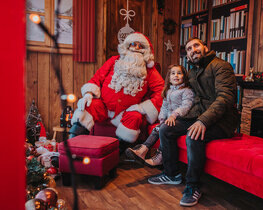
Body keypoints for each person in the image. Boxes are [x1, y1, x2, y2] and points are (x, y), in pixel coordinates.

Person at [147, 37, 239, 207]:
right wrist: (174, 115)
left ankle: (192, 186)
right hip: (199, 117)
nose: (193, 49)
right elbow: (187, 98)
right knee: (166, 128)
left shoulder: (221, 66)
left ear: (204, 47)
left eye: (196, 45)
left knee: (193, 135)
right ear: (187, 55)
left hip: (222, 121)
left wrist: (203, 121)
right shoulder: (192, 73)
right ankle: (171, 174)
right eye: (189, 48)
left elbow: (225, 98)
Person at [69, 32, 164, 147]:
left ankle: (116, 153)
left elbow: (162, 91)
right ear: (128, 46)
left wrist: (142, 107)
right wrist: (88, 93)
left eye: (141, 46)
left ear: (146, 50)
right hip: (104, 106)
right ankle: (71, 146)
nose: (136, 48)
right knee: (87, 105)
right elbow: (97, 78)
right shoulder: (114, 61)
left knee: (135, 117)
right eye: (134, 44)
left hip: (127, 112)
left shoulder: (150, 71)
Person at [125, 64, 194, 167]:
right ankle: (143, 150)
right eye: (173, 73)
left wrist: (174, 115)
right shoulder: (168, 91)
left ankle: (154, 154)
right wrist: (162, 118)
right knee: (157, 129)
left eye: (179, 73)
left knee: (162, 129)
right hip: (169, 120)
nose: (176, 76)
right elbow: (164, 107)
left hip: (181, 119)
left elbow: (186, 106)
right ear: (169, 78)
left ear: (184, 76)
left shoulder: (187, 91)